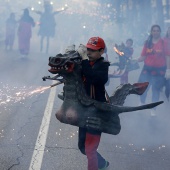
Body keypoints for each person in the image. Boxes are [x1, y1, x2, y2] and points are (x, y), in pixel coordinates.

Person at [77, 37, 110, 170]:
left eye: (93, 50)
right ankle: (102, 164)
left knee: (90, 149)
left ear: (101, 52)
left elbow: (92, 77)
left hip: (97, 112)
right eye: (88, 49)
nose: (89, 53)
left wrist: (84, 60)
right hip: (84, 110)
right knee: (82, 146)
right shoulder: (85, 63)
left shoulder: (103, 67)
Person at [137, 25, 170, 115]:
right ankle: (142, 103)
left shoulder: (164, 43)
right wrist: (137, 59)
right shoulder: (147, 43)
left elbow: (167, 56)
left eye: (157, 30)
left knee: (156, 89)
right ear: (151, 32)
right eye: (154, 30)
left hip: (159, 70)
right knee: (144, 87)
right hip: (147, 69)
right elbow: (143, 56)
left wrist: (168, 70)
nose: (155, 32)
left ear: (160, 32)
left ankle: (153, 109)